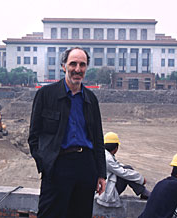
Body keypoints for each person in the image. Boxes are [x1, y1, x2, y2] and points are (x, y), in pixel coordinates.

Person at [28, 47, 106, 218]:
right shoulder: (45, 95)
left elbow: (98, 139)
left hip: (86, 166)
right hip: (58, 165)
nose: (78, 69)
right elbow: (34, 136)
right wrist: (45, 164)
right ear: (63, 66)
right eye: (73, 64)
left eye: (82, 65)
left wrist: (101, 173)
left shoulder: (91, 99)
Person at [95, 132, 150, 207]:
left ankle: (143, 192)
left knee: (127, 168)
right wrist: (141, 179)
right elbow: (122, 172)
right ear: (116, 148)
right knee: (127, 172)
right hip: (105, 193)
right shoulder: (107, 158)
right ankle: (144, 192)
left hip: (104, 189)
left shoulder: (105, 155)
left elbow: (118, 166)